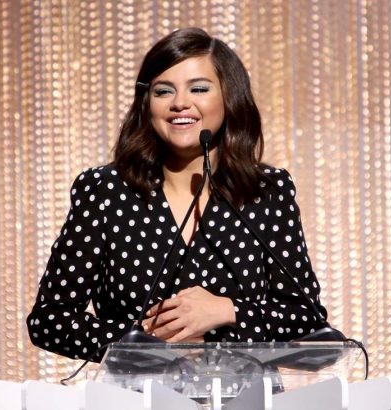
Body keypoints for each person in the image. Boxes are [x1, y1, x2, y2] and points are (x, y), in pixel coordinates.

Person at [27, 27, 330, 361]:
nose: (180, 103)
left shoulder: (266, 191)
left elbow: (307, 317)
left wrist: (227, 311)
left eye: (198, 88)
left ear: (229, 97)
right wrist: (148, 346)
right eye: (163, 91)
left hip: (246, 389)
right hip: (138, 388)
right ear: (146, 103)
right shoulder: (105, 191)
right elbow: (49, 321)